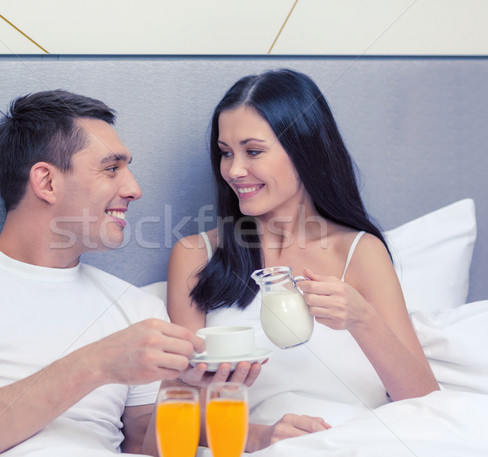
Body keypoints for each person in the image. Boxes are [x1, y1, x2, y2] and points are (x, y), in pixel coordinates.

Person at [0, 90, 250, 457]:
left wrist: (186, 388)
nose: (134, 189)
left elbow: (145, 446)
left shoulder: (137, 309)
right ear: (46, 182)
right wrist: (96, 364)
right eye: (111, 169)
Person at [167, 68, 440, 448]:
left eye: (254, 151)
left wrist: (362, 319)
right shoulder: (197, 256)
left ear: (304, 149)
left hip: (360, 442)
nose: (234, 170)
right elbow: (178, 410)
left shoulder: (360, 253)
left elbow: (425, 402)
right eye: (225, 153)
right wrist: (261, 437)